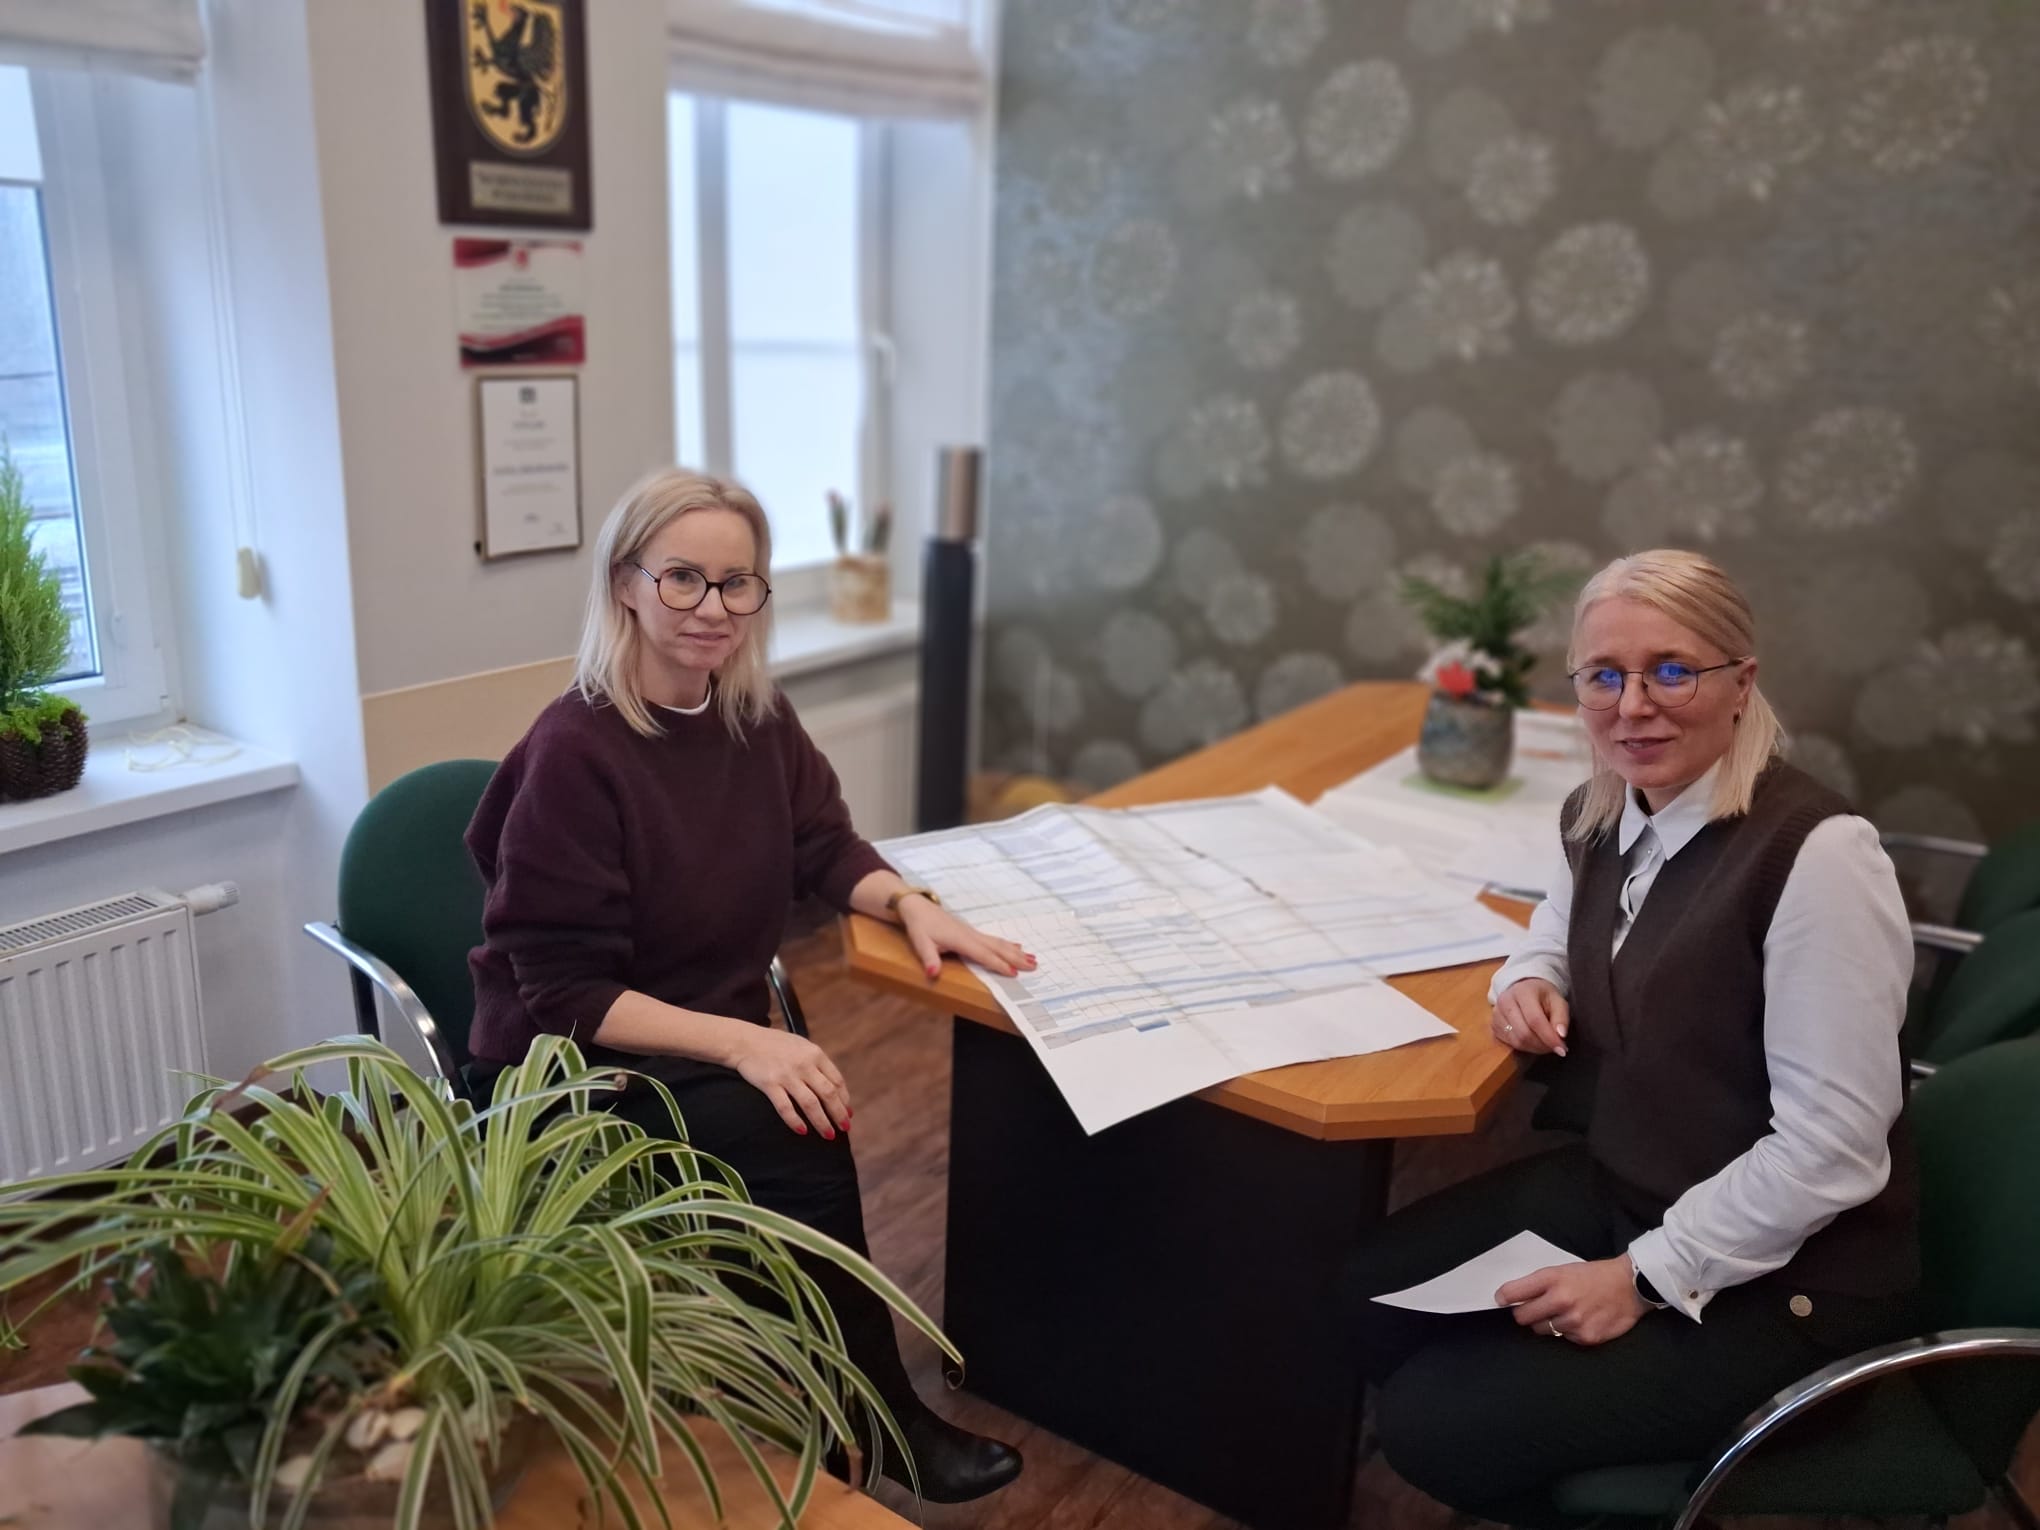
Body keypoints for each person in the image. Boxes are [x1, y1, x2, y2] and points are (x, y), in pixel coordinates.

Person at [465, 468, 1029, 1503]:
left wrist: (909, 902)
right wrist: (746, 1040)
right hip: (568, 1066)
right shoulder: (576, 752)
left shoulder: (753, 718)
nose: (712, 608)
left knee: (788, 1116)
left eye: (736, 583)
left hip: (688, 1036)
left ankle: (805, 1409)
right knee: (792, 1122)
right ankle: (872, 1417)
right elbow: (566, 991)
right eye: (682, 578)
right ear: (625, 584)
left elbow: (825, 844)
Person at [1346, 548, 1920, 1528]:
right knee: (1366, 1298)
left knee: (1432, 1423)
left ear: (1741, 682)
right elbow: (1555, 929)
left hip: (1793, 1278)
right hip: (1641, 1180)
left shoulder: (1818, 857)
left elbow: (1832, 1151)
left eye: (1672, 671)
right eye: (1603, 676)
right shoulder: (1603, 809)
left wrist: (1645, 1278)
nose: (1633, 706)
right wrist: (1529, 978)